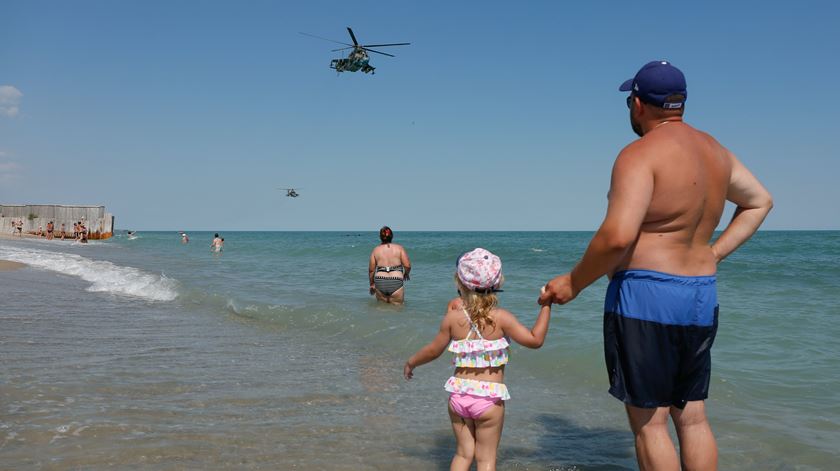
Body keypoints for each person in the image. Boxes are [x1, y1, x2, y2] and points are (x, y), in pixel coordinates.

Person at [539, 61, 773, 471]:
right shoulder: (716, 152)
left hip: (646, 297)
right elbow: (759, 201)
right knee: (694, 415)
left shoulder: (639, 154)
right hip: (701, 293)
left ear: (637, 104)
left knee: (651, 423)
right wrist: (713, 253)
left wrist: (573, 284)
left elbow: (617, 237)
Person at [405, 248, 552, 471]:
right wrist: (546, 305)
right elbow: (535, 340)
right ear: (496, 284)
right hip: (488, 400)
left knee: (463, 455)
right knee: (485, 460)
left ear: (460, 284)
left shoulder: (453, 319)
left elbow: (433, 350)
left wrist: (411, 362)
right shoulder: (501, 318)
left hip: (458, 398)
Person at [368, 226, 411, 303]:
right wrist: (406, 274)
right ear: (392, 236)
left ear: (380, 237)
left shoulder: (376, 250)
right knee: (398, 309)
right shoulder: (399, 248)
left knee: (381, 308)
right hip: (396, 280)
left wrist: (372, 284)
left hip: (380, 280)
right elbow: (407, 266)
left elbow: (371, 270)